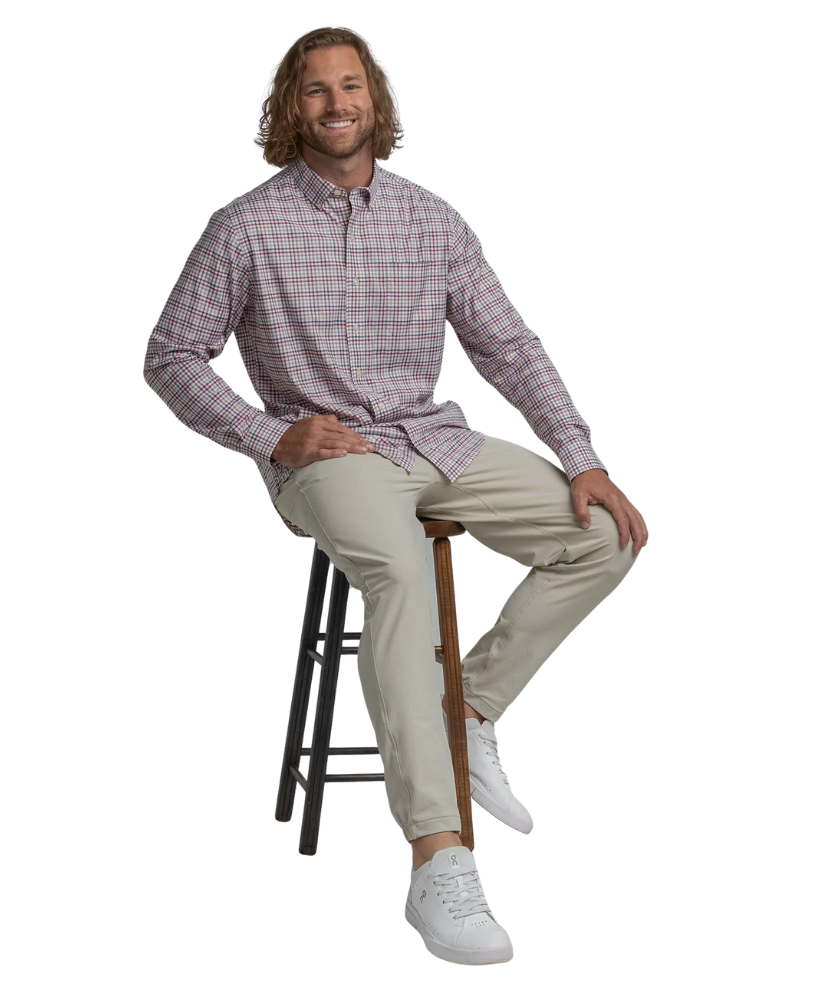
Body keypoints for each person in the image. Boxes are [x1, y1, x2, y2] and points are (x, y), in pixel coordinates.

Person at [143, 26, 648, 967]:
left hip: (436, 433)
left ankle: (471, 710)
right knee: (405, 578)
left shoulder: (432, 216)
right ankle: (438, 859)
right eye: (314, 91)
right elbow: (169, 357)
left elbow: (509, 346)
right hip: (330, 455)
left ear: (376, 101)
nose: (336, 105)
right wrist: (269, 432)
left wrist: (579, 455)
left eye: (351, 87)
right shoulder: (243, 226)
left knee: (606, 534)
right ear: (288, 110)